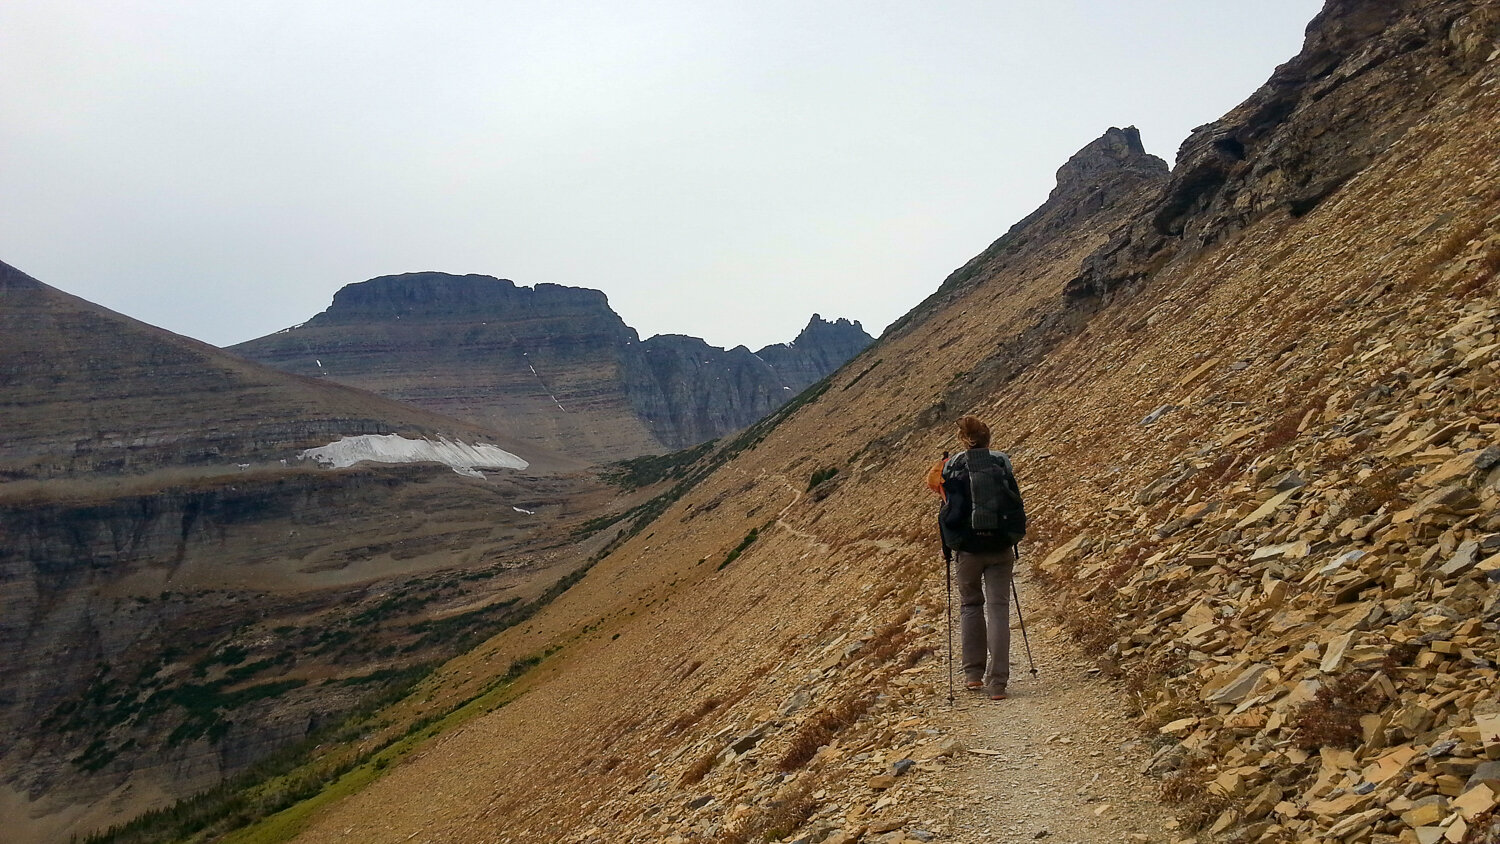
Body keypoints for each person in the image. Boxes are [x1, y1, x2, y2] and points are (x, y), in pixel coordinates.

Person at [929, 415, 1024, 701]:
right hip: (1000, 546)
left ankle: (972, 675)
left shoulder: (954, 464)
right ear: (987, 438)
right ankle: (998, 684)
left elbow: (940, 493)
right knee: (998, 609)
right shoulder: (1001, 461)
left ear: (963, 440)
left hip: (968, 549)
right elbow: (1015, 498)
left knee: (970, 605)